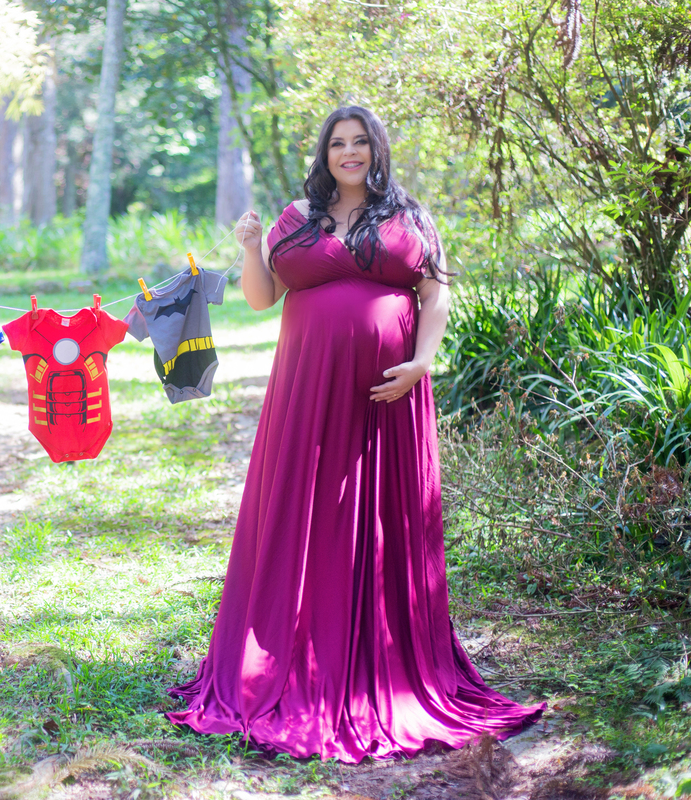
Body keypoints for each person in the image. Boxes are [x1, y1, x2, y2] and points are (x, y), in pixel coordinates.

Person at [167, 106, 544, 760]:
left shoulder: (410, 217)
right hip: (305, 397)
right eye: (338, 143)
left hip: (386, 399)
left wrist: (422, 363)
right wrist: (250, 248)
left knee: (378, 526)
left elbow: (436, 295)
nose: (349, 153)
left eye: (360, 142)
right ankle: (294, 653)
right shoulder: (297, 217)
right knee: (302, 516)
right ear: (325, 152)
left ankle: (383, 662)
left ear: (376, 150)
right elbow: (262, 299)